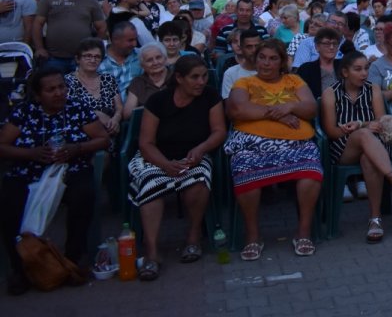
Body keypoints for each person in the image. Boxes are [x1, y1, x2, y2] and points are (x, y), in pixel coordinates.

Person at [0, 67, 109, 295]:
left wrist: (76, 148)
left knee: (84, 194)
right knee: (9, 201)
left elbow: (102, 139)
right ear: (38, 95)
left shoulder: (77, 109)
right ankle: (20, 267)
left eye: (61, 87)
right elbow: (3, 146)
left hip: (70, 169)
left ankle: (72, 258)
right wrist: (30, 154)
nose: (59, 93)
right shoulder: (24, 113)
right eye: (51, 90)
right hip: (27, 171)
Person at [126, 56, 225, 279]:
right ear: (179, 78)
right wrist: (165, 164)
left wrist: (201, 149)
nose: (201, 82)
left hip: (193, 155)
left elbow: (219, 131)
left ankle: (193, 236)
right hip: (157, 157)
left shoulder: (210, 96)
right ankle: (152, 251)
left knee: (199, 180)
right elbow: (146, 143)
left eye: (204, 76)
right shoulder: (158, 101)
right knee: (150, 184)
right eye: (195, 77)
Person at [225, 39, 323, 259]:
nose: (266, 63)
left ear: (282, 62)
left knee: (311, 170)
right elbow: (237, 110)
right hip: (252, 144)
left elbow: (310, 108)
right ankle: (253, 236)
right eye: (262, 57)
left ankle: (304, 233)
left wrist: (291, 105)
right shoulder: (244, 83)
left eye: (272, 59)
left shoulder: (294, 80)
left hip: (296, 143)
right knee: (244, 168)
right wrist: (279, 114)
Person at [321, 50, 392, 242]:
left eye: (366, 68)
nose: (364, 73)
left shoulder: (373, 89)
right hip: (343, 148)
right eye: (358, 69)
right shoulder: (331, 93)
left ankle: (375, 219)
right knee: (363, 134)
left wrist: (361, 124)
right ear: (345, 72)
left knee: (368, 159)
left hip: (374, 146)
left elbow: (380, 122)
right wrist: (361, 127)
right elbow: (331, 131)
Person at [31, 0, 107, 73]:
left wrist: (93, 50)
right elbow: (37, 24)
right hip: (53, 57)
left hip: (82, 58)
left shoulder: (91, 1)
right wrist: (39, 48)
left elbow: (102, 27)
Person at [65, 38, 121, 139]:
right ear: (78, 59)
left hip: (110, 132)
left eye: (97, 57)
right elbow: (68, 110)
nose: (93, 60)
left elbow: (119, 107)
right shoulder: (67, 81)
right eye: (88, 56)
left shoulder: (108, 79)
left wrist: (116, 119)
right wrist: (95, 114)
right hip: (80, 134)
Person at [123, 42, 171, 118]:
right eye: (149, 60)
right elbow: (127, 114)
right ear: (142, 65)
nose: (155, 62)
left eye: (158, 57)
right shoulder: (137, 82)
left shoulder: (176, 76)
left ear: (165, 59)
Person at [296, 27, 342, 101]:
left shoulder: (344, 66)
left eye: (334, 43)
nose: (331, 47)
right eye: (327, 43)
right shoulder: (306, 69)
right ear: (317, 47)